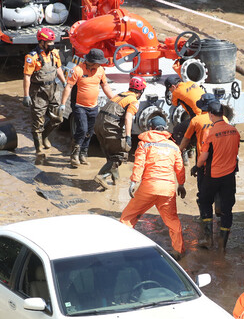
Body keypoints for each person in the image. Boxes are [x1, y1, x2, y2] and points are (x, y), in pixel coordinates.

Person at [120, 115, 186, 259]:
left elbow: (139, 164)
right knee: (172, 221)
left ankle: (122, 247)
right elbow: (180, 168)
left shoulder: (145, 144)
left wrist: (134, 182)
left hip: (148, 188)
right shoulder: (173, 146)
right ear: (164, 129)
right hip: (168, 189)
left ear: (150, 128)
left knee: (127, 217)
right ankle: (178, 251)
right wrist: (181, 184)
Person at [193, 98, 240, 251]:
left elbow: (204, 156)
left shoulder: (210, 132)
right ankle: (222, 245)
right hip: (229, 177)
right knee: (227, 210)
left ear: (211, 115)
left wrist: (196, 166)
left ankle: (207, 238)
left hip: (212, 176)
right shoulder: (235, 131)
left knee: (205, 202)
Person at [60, 48, 114, 167]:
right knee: (82, 129)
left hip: (93, 106)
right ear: (92, 61)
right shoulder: (77, 70)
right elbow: (68, 87)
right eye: (99, 62)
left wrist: (115, 100)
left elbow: (105, 85)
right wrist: (63, 104)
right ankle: (74, 155)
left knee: (90, 131)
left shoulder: (100, 70)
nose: (101, 64)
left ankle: (83, 154)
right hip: (79, 106)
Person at [93, 76, 146, 190]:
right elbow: (128, 118)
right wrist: (128, 137)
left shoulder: (120, 95)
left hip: (98, 124)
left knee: (111, 155)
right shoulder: (134, 101)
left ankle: (115, 180)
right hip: (109, 126)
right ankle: (101, 176)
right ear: (141, 90)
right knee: (120, 154)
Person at [22, 28, 67, 163]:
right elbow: (27, 76)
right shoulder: (32, 57)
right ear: (41, 42)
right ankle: (38, 148)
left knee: (58, 118)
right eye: (49, 42)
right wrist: (26, 95)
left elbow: (58, 68)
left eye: (52, 41)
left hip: (53, 88)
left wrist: (65, 83)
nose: (52, 44)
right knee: (38, 121)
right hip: (38, 91)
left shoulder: (54, 53)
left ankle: (45, 136)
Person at [179, 93, 223, 212]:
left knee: (204, 195)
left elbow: (186, 139)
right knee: (220, 188)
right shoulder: (224, 119)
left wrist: (179, 151)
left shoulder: (196, 120)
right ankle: (219, 205)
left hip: (204, 162)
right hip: (222, 162)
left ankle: (205, 222)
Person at [165, 76, 205, 162]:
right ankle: (192, 149)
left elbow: (174, 104)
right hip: (208, 114)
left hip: (198, 118)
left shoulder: (176, 92)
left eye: (169, 89)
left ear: (173, 86)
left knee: (177, 130)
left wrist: (172, 95)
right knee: (192, 130)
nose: (170, 91)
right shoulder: (191, 83)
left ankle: (183, 153)